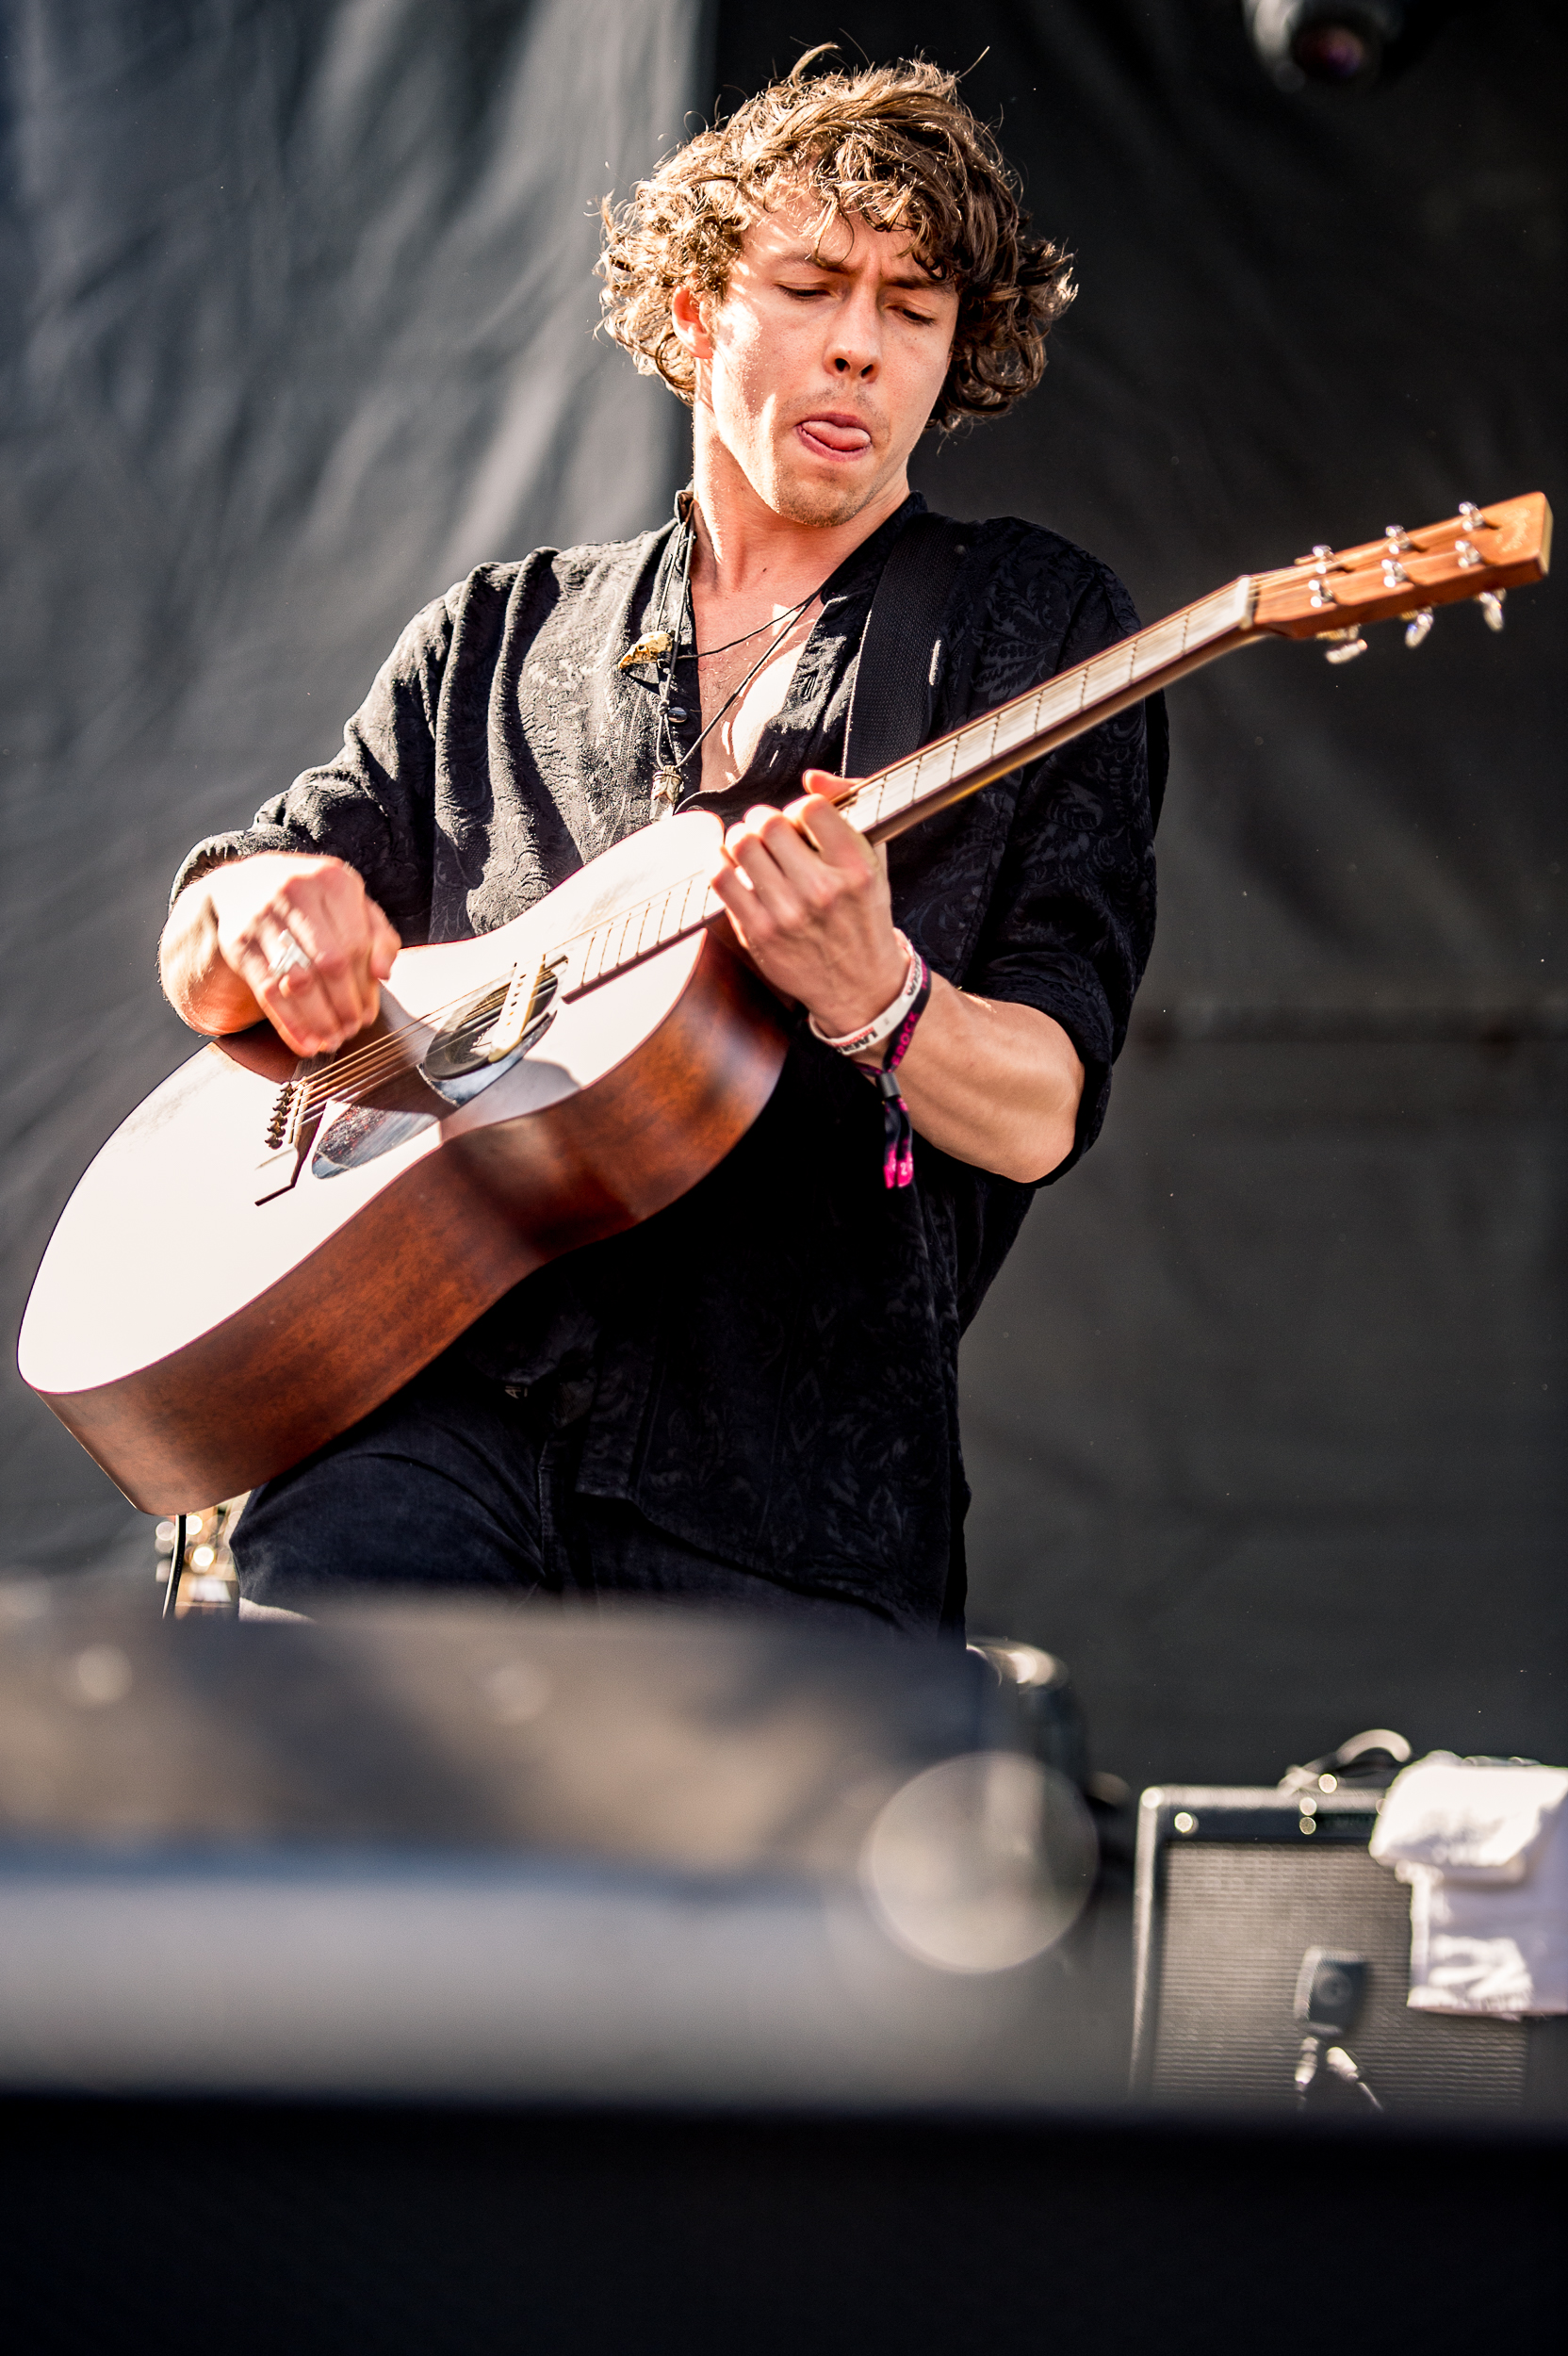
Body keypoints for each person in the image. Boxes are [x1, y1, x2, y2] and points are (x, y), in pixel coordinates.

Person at [159, 55, 1161, 1633]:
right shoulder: (499, 636)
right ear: (695, 311)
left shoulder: (1033, 634)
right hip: (413, 1421)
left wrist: (878, 997)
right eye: (814, 283)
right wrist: (260, 910)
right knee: (329, 1853)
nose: (858, 344)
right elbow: (215, 939)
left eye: (914, 307)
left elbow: (1042, 1105)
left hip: (785, 1490)